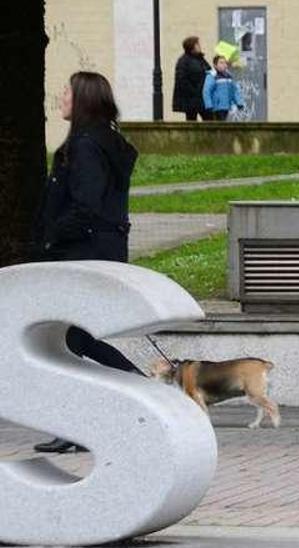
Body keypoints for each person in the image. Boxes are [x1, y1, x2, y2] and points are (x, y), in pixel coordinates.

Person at [30, 71, 141, 454]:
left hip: (81, 252)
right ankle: (129, 401)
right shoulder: (102, 142)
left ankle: (143, 391)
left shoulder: (86, 146)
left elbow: (85, 205)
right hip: (97, 250)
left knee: (71, 340)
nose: (60, 98)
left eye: (66, 93)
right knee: (77, 340)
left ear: (83, 101)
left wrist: (48, 239)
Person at [173, 36, 212, 121]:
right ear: (191, 46)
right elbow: (181, 79)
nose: (199, 46)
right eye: (197, 44)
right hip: (191, 98)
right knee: (191, 120)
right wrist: (193, 90)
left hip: (202, 96)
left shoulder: (200, 59)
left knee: (209, 119)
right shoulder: (183, 61)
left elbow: (209, 70)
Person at [202, 55, 244, 121]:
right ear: (215, 65)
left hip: (226, 106)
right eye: (221, 63)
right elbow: (206, 91)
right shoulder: (212, 76)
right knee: (218, 124)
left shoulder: (228, 76)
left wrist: (239, 102)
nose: (224, 65)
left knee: (223, 122)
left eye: (225, 63)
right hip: (216, 107)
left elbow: (234, 90)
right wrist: (208, 105)